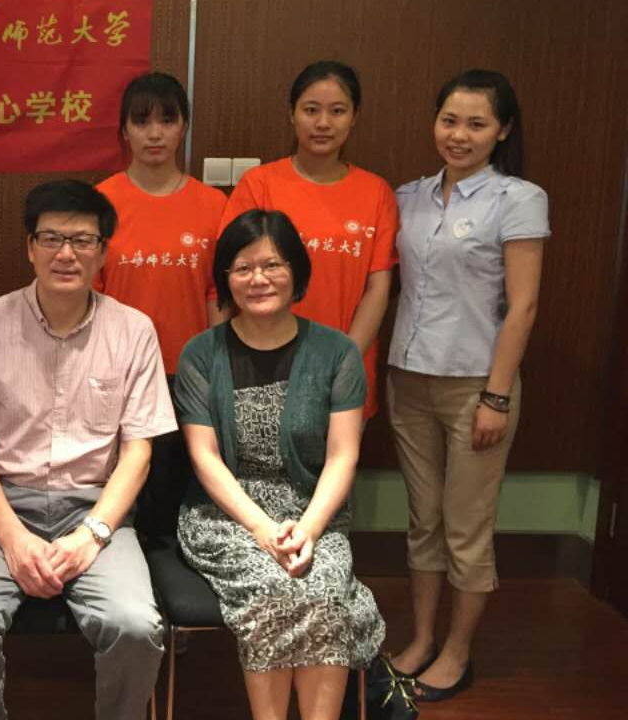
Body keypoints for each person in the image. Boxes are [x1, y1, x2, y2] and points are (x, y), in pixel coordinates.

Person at [0, 179, 176, 720]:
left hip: (96, 508)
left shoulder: (133, 330)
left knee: (135, 625)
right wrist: (13, 539)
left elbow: (138, 453)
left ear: (103, 252)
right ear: (29, 247)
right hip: (0, 507)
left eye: (82, 240)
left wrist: (92, 535)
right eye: (51, 239)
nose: (66, 254)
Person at [174, 209, 384, 720]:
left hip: (314, 512)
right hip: (226, 516)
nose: (258, 279)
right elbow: (204, 457)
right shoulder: (200, 354)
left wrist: (307, 528)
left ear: (297, 272)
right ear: (225, 278)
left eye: (272, 265)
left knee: (325, 589)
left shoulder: (337, 353)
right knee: (273, 588)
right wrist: (263, 530)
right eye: (243, 268)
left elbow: (343, 454)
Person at [385, 69, 547, 702]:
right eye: (449, 120)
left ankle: (457, 652)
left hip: (478, 385)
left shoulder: (518, 198)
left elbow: (523, 307)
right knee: (422, 521)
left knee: (465, 527)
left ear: (502, 131)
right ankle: (423, 638)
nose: (459, 135)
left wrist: (496, 397)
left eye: (477, 124)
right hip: (409, 379)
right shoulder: (409, 197)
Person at [220, 61, 397, 421]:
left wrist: (342, 363)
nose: (323, 123)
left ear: (354, 117)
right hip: (263, 367)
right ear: (292, 114)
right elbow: (235, 276)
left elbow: (378, 287)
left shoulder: (375, 192)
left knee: (338, 458)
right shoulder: (259, 185)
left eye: (337, 111)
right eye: (311, 110)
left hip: (344, 372)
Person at [95, 71, 228, 373]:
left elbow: (217, 293)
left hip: (192, 369)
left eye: (167, 121)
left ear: (184, 128)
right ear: (125, 131)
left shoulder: (214, 204)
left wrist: (218, 367)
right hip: (117, 367)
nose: (155, 134)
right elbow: (89, 294)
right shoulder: (100, 202)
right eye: (142, 122)